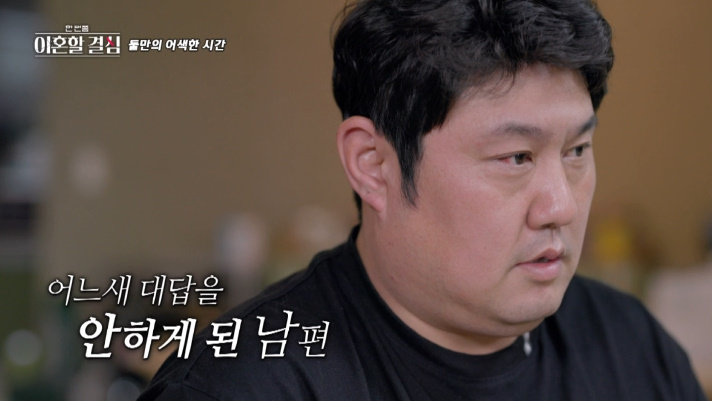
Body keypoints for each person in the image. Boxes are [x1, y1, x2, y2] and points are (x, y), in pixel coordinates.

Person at [139, 0, 708, 400]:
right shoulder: (241, 384)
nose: (561, 206)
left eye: (577, 150)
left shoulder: (633, 347)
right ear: (374, 164)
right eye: (516, 157)